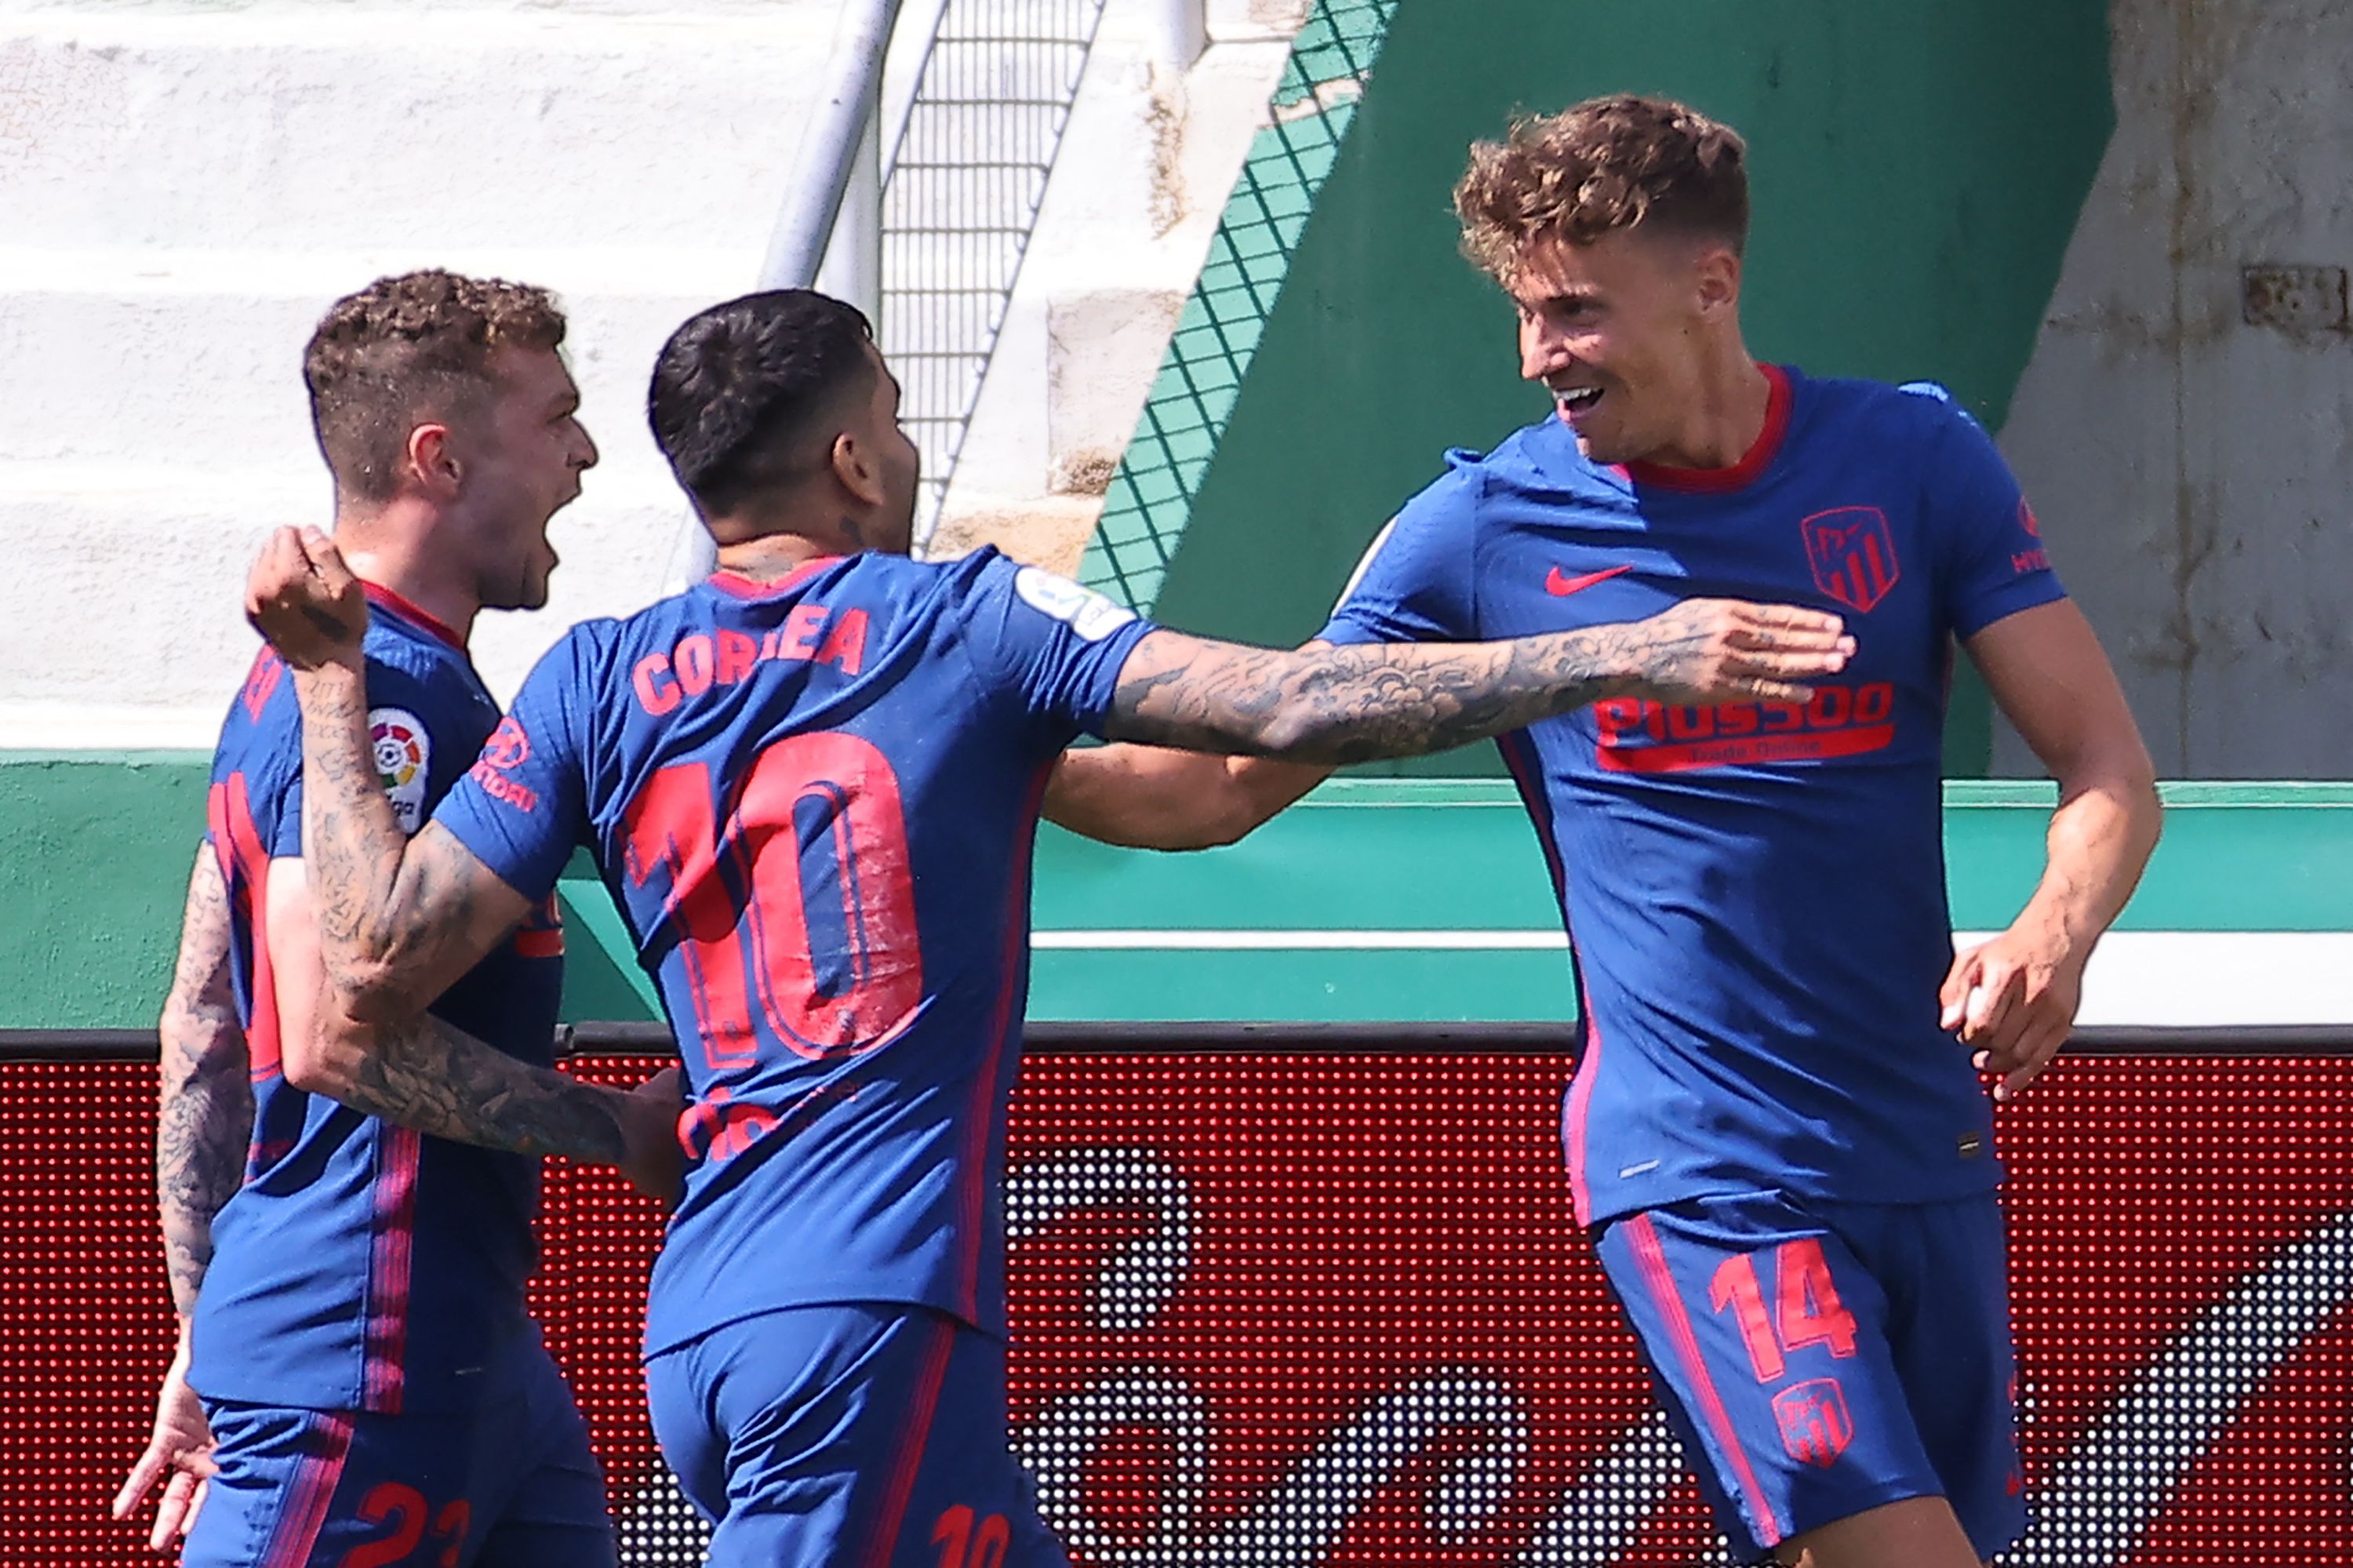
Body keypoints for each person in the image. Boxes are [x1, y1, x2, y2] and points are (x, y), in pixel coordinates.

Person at [238, 286, 1856, 1568]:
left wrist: (329, 676)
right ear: (858, 465)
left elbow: (368, 964)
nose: (911, 457)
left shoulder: (596, 675)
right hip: (866, 1317)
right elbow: (1279, 705)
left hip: (717, 1322)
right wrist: (1622, 651)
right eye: (895, 423)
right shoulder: (962, 615)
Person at [1044, 96, 2163, 1568]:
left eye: (1573, 310)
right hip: (1701, 1168)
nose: (1536, 355)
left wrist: (2052, 932)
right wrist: (981, 739)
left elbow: (2107, 769)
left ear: (1712, 284)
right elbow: (1213, 788)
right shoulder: (1481, 524)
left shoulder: (1915, 459)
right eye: (1524, 313)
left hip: (1925, 1145)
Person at [113, 269, 676, 1567]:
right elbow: (324, 1036)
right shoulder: (386, 704)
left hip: (469, 1365)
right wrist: (621, 1128)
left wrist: (208, 1336)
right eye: (557, 417)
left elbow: (206, 1021)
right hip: (360, 1370)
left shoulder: (337, 680)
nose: (586, 455)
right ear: (439, 456)